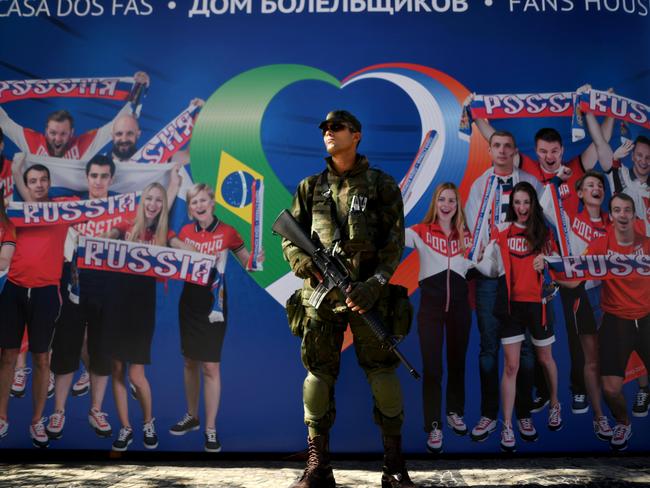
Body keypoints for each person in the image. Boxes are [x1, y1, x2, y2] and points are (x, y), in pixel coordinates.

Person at [281, 110, 414, 488]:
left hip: (367, 297)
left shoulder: (382, 184)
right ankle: (318, 468)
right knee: (317, 378)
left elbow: (394, 244)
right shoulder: (310, 187)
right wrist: (305, 263)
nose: (328, 133)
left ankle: (394, 467)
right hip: (321, 300)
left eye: (336, 128)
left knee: (383, 372)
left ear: (356, 135)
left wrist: (375, 284)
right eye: (324, 128)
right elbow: (289, 236)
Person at [169, 183, 262, 453]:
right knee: (189, 361)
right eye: (193, 202)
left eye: (203, 201)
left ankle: (210, 428)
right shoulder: (186, 232)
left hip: (215, 303)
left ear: (212, 204)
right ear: (190, 209)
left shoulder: (228, 232)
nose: (198, 205)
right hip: (189, 302)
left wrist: (256, 260)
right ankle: (192, 416)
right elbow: (171, 244)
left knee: (210, 366)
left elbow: (250, 264)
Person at [464, 130, 542, 445]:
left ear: (514, 151)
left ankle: (522, 414)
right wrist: (482, 255)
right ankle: (488, 414)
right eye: (496, 146)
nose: (501, 151)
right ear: (490, 150)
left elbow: (542, 225)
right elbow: (472, 226)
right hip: (488, 276)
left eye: (507, 146)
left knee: (523, 351)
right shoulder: (479, 186)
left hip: (520, 275)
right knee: (488, 348)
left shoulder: (529, 185)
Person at [45, 155, 123, 442]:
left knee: (102, 350)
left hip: (108, 286)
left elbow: (132, 227)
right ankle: (58, 411)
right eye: (94, 176)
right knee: (66, 348)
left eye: (104, 176)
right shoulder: (70, 206)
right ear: (87, 178)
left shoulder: (122, 209)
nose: (99, 181)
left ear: (111, 179)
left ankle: (96, 410)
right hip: (74, 284)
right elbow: (34, 201)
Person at [481, 182, 562, 452]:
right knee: (512, 366)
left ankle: (554, 403)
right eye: (517, 202)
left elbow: (560, 266)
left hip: (538, 305)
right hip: (512, 308)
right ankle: (507, 425)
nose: (522, 208)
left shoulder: (544, 231)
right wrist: (480, 254)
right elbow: (489, 267)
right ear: (511, 205)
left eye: (527, 202)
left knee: (544, 358)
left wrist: (547, 263)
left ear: (533, 204)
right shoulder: (502, 232)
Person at [102, 182, 181, 451]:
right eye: (149, 198)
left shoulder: (164, 233)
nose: (153, 204)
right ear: (142, 200)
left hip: (141, 310)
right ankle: (125, 428)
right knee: (116, 369)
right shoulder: (125, 226)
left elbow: (183, 248)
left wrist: (198, 253)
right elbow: (102, 241)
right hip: (115, 305)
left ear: (163, 205)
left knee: (136, 375)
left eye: (159, 200)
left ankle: (148, 421)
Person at [0, 158, 72, 447]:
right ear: (26, 186)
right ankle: (2, 417)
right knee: (6, 356)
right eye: (33, 181)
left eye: (43, 180)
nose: (39, 185)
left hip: (45, 293)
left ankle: (36, 422)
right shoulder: (14, 214)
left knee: (43, 359)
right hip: (14, 291)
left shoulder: (62, 209)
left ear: (49, 184)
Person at [405, 182, 479, 454]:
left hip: (460, 310)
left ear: (458, 205)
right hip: (431, 312)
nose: (447, 205)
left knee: (457, 364)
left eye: (451, 200)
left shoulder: (468, 237)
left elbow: (486, 266)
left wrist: (487, 255)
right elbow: (393, 236)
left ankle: (454, 412)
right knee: (433, 370)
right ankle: (434, 426)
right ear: (435, 204)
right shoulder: (421, 232)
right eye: (442, 200)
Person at [584, 115, 650, 417]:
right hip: (624, 272)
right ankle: (629, 407)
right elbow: (602, 146)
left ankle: (644, 390)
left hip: (645, 267)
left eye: (647, 157)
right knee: (619, 330)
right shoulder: (623, 181)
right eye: (639, 155)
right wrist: (596, 112)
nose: (643, 161)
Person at [542, 170, 614, 440]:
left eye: (599, 185)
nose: (596, 188)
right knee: (580, 345)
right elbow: (546, 204)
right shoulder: (570, 221)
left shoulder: (612, 220)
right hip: (580, 290)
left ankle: (613, 398)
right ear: (581, 193)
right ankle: (583, 394)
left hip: (610, 291)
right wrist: (558, 181)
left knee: (611, 347)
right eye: (589, 185)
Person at [580, 193, 649, 450]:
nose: (622, 214)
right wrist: (548, 268)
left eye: (627, 210)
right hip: (615, 320)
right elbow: (575, 274)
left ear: (633, 215)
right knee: (610, 389)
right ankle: (623, 422)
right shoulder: (601, 243)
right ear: (611, 216)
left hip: (647, 317)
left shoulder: (647, 242)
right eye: (617, 210)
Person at [0, 72, 149, 160]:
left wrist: (140, 90)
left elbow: (119, 123)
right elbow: (4, 123)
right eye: (53, 133)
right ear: (45, 131)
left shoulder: (82, 146)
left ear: (72, 133)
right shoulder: (32, 142)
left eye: (63, 133)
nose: (57, 139)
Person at [0, 194, 17, 439]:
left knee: (5, 359)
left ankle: (1, 415)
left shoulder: (8, 228)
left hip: (5, 296)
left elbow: (4, 261)